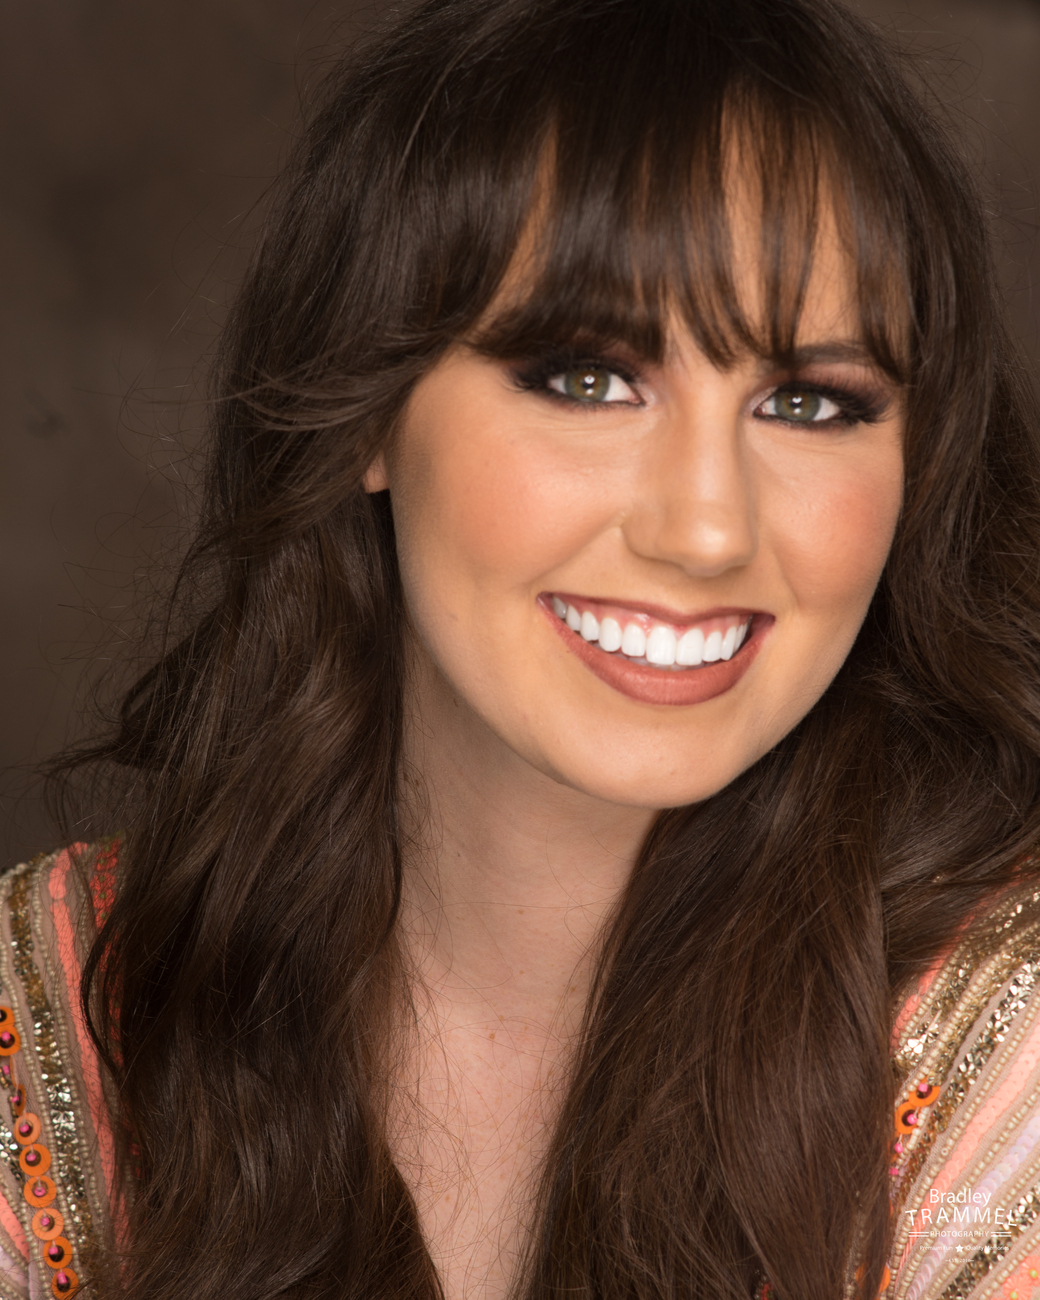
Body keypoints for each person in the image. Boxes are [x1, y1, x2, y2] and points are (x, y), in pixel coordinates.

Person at [4, 0, 1040, 1297]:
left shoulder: (1013, 1067)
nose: (707, 529)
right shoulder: (50, 999)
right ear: (366, 413)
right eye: (588, 379)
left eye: (808, 402)